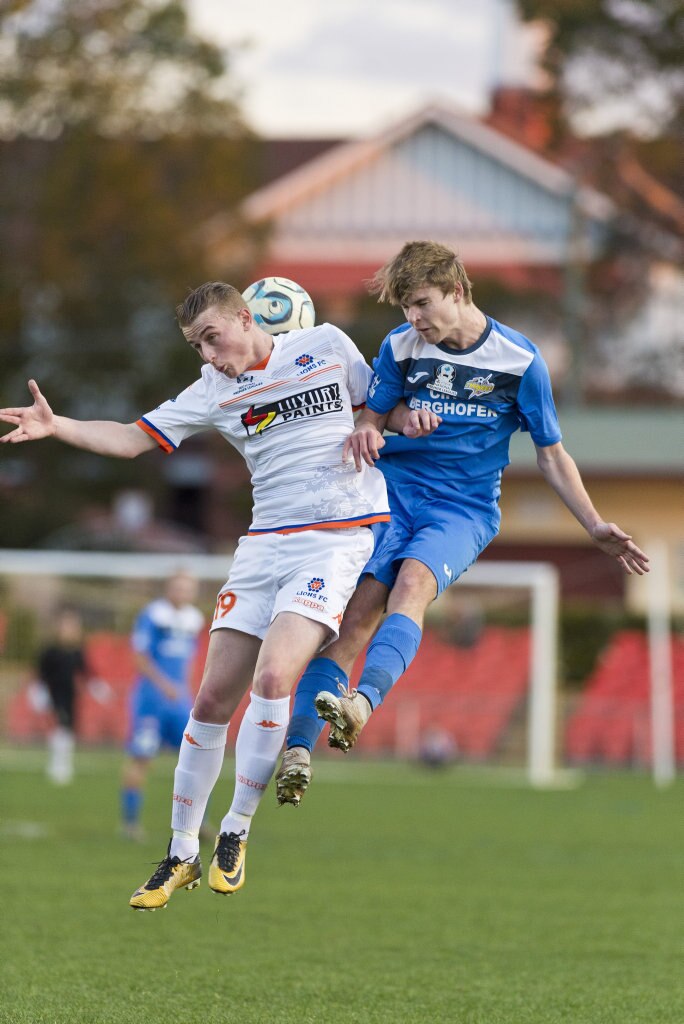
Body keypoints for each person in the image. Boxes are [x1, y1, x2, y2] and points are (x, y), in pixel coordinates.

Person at [0, 280, 392, 910]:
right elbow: (132, 438)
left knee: (272, 679)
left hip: (335, 540)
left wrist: (408, 426)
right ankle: (182, 850)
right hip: (264, 545)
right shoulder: (213, 391)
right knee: (210, 698)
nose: (208, 355)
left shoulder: (326, 346)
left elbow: (383, 403)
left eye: (213, 338)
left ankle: (234, 831)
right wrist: (59, 425)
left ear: (245, 317)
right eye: (196, 345)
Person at [275, 240, 650, 805]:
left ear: (456, 289)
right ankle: (298, 753)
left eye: (422, 303)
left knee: (413, 586)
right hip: (392, 495)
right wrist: (380, 428)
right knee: (352, 621)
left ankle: (361, 704)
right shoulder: (400, 347)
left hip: (463, 507)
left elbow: (551, 454)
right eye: (405, 307)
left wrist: (592, 523)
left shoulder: (519, 361)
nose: (413, 318)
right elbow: (372, 421)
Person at [121, 571, 204, 841]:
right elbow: (140, 657)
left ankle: (197, 824)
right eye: (178, 586)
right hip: (151, 702)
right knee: (142, 759)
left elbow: (188, 661)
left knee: (199, 759)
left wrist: (185, 688)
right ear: (169, 588)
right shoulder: (152, 615)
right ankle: (130, 823)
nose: (182, 592)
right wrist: (164, 684)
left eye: (187, 587)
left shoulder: (194, 620)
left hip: (179, 702)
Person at [37, 607, 88, 785]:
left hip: (71, 696)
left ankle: (64, 764)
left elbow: (85, 671)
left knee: (68, 729)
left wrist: (97, 688)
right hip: (54, 695)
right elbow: (41, 673)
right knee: (60, 727)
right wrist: (40, 692)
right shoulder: (50, 651)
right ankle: (57, 765)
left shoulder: (77, 651)